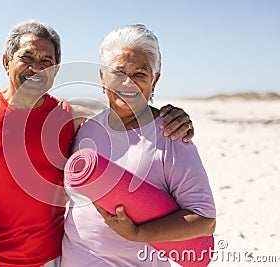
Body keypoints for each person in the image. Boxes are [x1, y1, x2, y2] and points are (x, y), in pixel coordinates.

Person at [0, 20, 195, 267]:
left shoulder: (69, 119)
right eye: (27, 57)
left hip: (52, 258)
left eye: (46, 61)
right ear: (6, 61)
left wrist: (168, 115)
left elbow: (125, 119)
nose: (36, 68)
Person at [62, 24, 216, 266]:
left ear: (154, 81)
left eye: (140, 74)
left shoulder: (171, 135)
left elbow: (204, 220)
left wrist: (137, 234)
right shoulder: (86, 129)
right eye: (118, 72)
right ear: (102, 77)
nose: (128, 83)